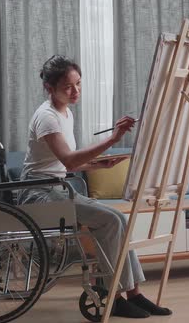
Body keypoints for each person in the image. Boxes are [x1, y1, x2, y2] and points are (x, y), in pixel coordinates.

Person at [18, 55, 172, 319]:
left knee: (118, 219)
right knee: (111, 220)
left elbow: (65, 164)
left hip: (57, 187)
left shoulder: (65, 113)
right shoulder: (47, 117)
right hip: (39, 193)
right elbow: (68, 159)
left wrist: (99, 166)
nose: (75, 91)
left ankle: (133, 294)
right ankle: (115, 296)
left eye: (78, 84)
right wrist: (114, 139)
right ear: (50, 88)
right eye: (68, 87)